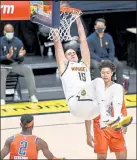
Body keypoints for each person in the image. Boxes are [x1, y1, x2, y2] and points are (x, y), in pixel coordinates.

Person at [52, 15, 132, 130]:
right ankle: (105, 118)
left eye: (73, 52)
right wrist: (55, 30)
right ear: (64, 58)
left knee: (118, 88)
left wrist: (78, 20)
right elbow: (58, 49)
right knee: (99, 81)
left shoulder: (84, 64)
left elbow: (84, 43)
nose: (72, 54)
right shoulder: (65, 66)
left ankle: (116, 117)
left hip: (92, 109)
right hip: (76, 103)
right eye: (69, 53)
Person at [85, 60, 129, 159]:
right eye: (103, 73)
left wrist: (124, 124)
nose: (105, 75)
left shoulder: (118, 88)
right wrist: (88, 134)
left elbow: (123, 107)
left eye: (107, 73)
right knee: (101, 157)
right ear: (100, 73)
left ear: (112, 73)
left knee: (122, 157)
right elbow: (87, 113)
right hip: (100, 129)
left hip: (115, 127)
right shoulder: (94, 90)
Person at [0, 24, 38, 105]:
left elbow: (20, 60)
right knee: (2, 72)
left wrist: (20, 56)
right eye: (8, 32)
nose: (10, 34)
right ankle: (2, 98)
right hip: (2, 65)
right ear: (4, 32)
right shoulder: (0, 41)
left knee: (28, 69)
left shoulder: (18, 41)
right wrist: (6, 57)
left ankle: (32, 95)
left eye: (11, 32)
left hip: (14, 64)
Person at [0, 114, 64, 160]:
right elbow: (51, 158)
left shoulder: (11, 140)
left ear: (20, 124)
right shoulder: (39, 142)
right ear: (33, 125)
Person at [87, 18, 124, 85]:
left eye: (102, 26)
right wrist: (100, 60)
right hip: (95, 59)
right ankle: (97, 85)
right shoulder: (90, 39)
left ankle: (119, 86)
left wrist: (111, 60)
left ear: (105, 27)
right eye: (98, 26)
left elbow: (112, 49)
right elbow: (90, 52)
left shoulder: (108, 37)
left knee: (119, 65)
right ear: (95, 27)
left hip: (107, 58)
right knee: (98, 66)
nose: (100, 28)